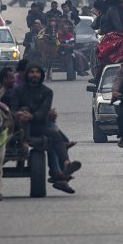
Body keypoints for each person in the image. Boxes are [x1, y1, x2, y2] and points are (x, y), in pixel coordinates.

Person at [13, 63, 81, 193]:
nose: (34, 75)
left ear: (41, 74)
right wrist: (19, 114)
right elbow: (13, 108)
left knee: (56, 136)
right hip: (20, 128)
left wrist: (32, 116)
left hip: (38, 125)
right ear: (27, 74)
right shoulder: (18, 91)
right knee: (24, 109)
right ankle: (58, 174)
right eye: (32, 72)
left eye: (37, 72)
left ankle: (66, 164)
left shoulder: (47, 91)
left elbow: (44, 111)